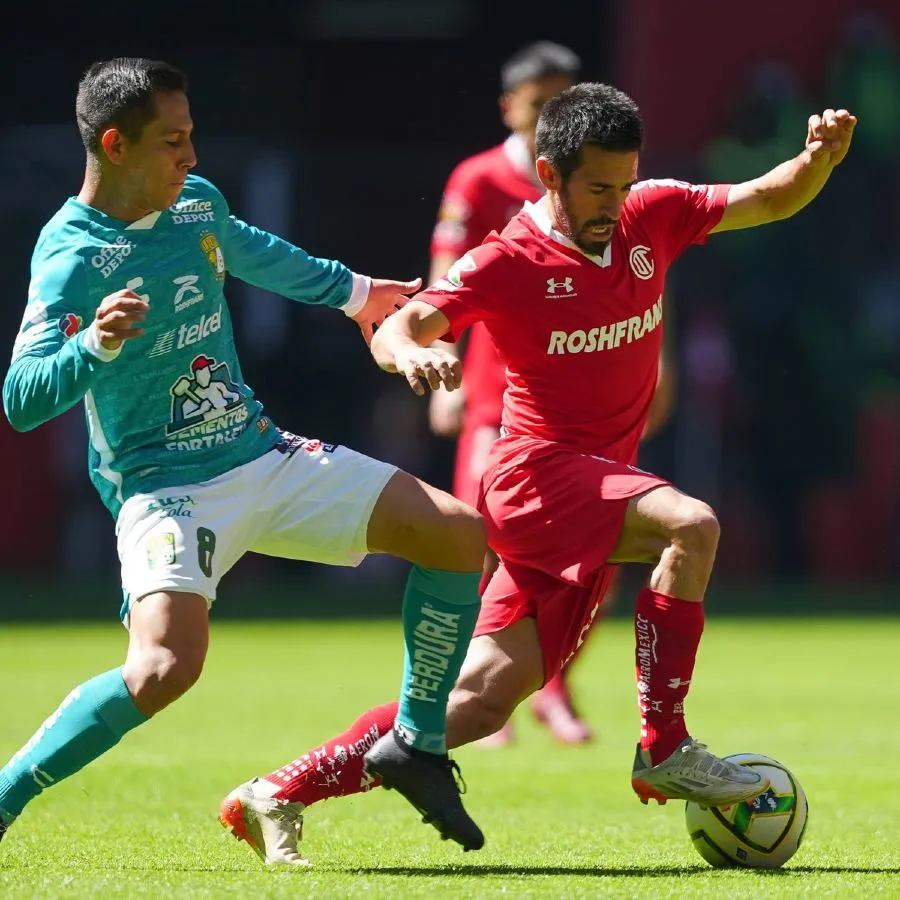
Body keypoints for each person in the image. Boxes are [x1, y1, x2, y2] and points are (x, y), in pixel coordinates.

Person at [218, 81, 856, 866]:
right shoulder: (509, 257)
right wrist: (412, 351)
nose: (616, 205)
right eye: (598, 188)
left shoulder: (653, 212)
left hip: (593, 486)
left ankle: (274, 792)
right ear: (550, 174)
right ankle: (665, 744)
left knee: (477, 703)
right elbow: (401, 325)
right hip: (537, 479)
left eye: (624, 183)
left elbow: (768, 198)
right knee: (691, 526)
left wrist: (816, 160)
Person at [0, 56, 489, 859]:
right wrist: (93, 345)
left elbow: (249, 248)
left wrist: (355, 292)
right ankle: (3, 798)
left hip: (262, 453)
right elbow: (22, 399)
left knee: (457, 534)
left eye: (191, 135)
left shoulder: (196, 202)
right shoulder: (71, 257)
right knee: (162, 668)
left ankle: (416, 744)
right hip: (164, 488)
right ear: (116, 145)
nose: (190, 156)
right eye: (172, 141)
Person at [427, 42, 675, 745]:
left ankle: (552, 686)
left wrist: (665, 360)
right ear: (511, 108)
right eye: (539, 105)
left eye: (560, 102)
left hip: (588, 393)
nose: (549, 117)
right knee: (483, 540)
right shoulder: (479, 178)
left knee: (602, 552)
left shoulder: (604, 178)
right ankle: (469, 683)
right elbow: (448, 272)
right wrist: (440, 362)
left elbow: (646, 269)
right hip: (497, 396)